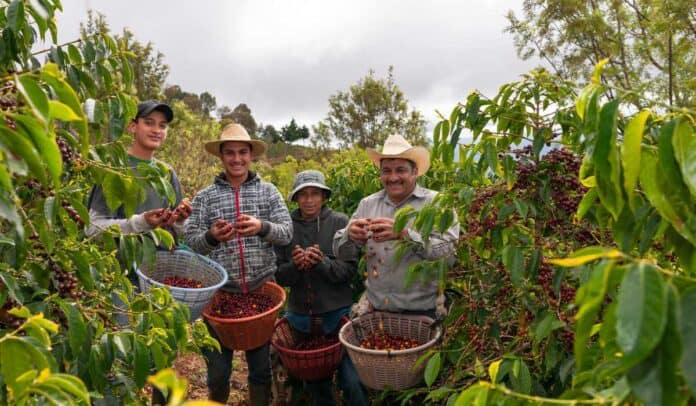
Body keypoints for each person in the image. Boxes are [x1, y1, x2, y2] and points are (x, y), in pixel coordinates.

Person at [86, 100, 191, 406]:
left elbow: (179, 229)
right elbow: (93, 228)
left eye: (163, 125)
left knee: (162, 355)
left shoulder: (166, 173)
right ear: (132, 126)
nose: (157, 130)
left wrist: (180, 218)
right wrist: (139, 223)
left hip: (159, 281)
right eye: (149, 122)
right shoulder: (114, 169)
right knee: (121, 357)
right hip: (121, 280)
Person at [184, 123, 292, 405]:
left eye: (242, 152)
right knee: (218, 371)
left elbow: (286, 232)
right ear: (221, 156)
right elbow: (192, 241)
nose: (236, 159)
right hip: (221, 295)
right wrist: (212, 236)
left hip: (261, 292)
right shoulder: (205, 197)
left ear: (250, 155)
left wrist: (261, 226)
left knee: (259, 369)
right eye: (230, 153)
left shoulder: (267, 192)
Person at [333, 134, 459, 318]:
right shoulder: (368, 204)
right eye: (386, 171)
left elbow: (449, 256)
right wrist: (349, 236)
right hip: (376, 310)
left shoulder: (437, 204)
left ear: (415, 172)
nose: (393, 178)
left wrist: (405, 234)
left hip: (423, 312)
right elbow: (341, 253)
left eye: (400, 170)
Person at [275, 170, 368, 406]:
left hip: (338, 314)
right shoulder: (286, 226)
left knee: (352, 381)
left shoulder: (340, 222)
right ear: (295, 198)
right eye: (302, 194)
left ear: (324, 196)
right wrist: (296, 265)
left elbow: (347, 271)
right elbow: (279, 275)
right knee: (318, 387)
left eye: (314, 193)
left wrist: (321, 263)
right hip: (301, 318)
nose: (309, 200)